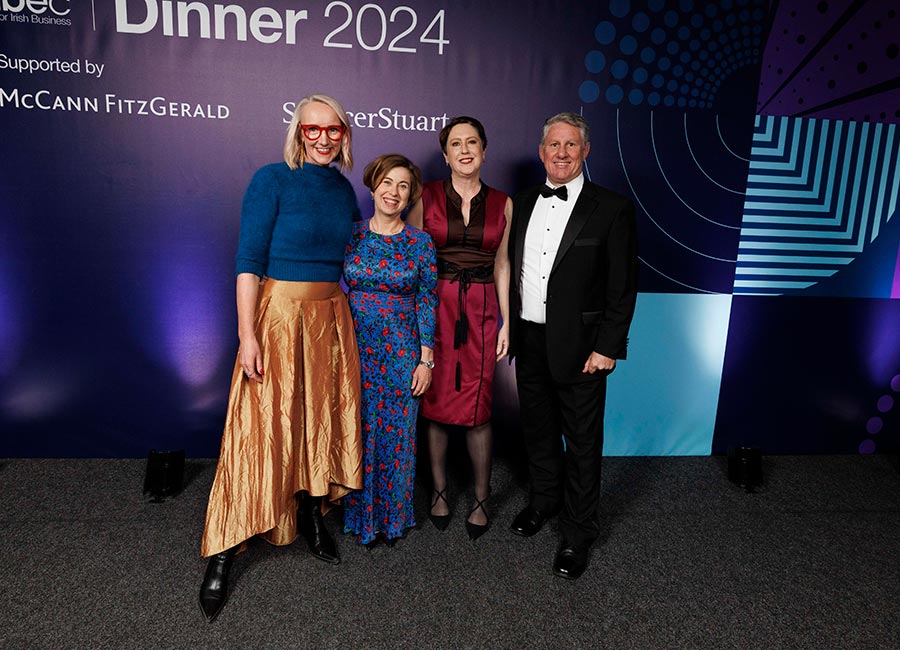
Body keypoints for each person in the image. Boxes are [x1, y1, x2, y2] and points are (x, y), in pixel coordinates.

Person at [198, 94, 364, 621]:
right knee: (258, 428)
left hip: (330, 320)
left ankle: (312, 514)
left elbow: (357, 259)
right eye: (313, 129)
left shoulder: (344, 190)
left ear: (344, 134)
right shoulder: (271, 180)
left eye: (333, 129)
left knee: (318, 421)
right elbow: (248, 262)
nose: (323, 138)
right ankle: (225, 548)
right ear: (298, 132)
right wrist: (246, 335)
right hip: (278, 318)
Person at [507, 112, 638, 579]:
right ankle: (544, 501)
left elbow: (622, 286)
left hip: (584, 348)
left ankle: (578, 532)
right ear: (541, 152)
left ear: (585, 151)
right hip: (529, 337)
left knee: (582, 442)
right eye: (554, 145)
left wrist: (608, 347)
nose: (561, 153)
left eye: (571, 145)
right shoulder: (522, 202)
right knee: (539, 430)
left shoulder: (612, 208)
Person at [407, 116, 512, 541]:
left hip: (483, 310)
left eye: (472, 142)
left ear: (484, 150)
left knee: (478, 405)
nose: (465, 150)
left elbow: (503, 264)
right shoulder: (425, 196)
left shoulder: (504, 203)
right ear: (445, 154)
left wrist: (506, 321)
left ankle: (482, 498)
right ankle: (439, 491)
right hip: (435, 307)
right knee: (434, 401)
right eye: (456, 143)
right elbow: (412, 259)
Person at [342, 154, 438, 547]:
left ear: (410, 195)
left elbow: (427, 300)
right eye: (387, 182)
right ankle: (357, 515)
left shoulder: (420, 242)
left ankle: (392, 519)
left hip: (401, 352)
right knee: (358, 430)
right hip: (353, 349)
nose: (393, 192)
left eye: (403, 186)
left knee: (397, 436)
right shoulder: (350, 235)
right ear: (372, 185)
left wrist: (426, 360)